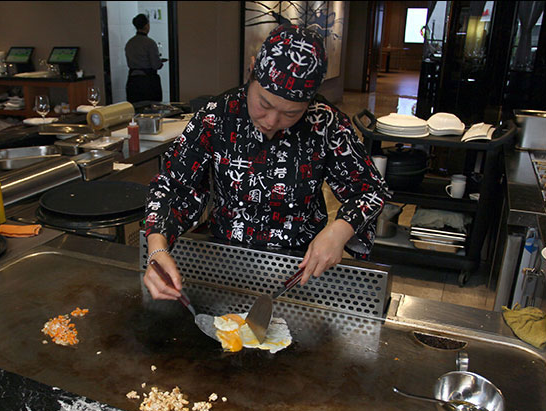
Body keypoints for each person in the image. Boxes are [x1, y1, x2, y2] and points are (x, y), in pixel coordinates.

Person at [143, 23, 391, 302]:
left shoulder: (326, 122)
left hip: (302, 266)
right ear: (251, 70)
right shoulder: (217, 116)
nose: (272, 122)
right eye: (264, 103)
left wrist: (338, 232)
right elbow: (173, 186)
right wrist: (156, 248)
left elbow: (370, 189)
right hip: (225, 256)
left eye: (291, 113)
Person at [125, 13, 165, 104]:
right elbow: (155, 65)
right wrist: (160, 62)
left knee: (135, 108)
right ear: (147, 26)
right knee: (151, 108)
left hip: (133, 81)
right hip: (148, 82)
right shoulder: (150, 43)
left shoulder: (129, 43)